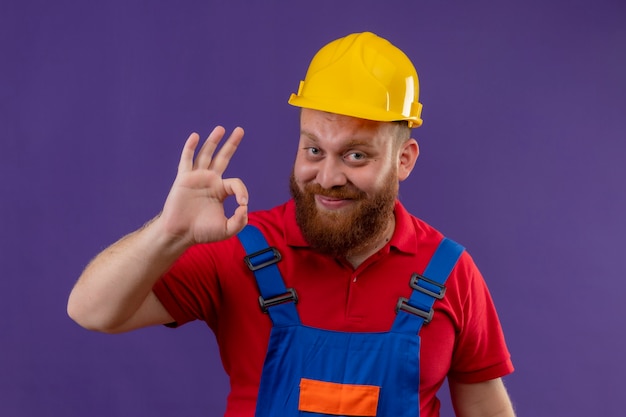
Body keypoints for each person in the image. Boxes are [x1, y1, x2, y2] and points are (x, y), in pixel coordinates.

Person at [68, 32, 515, 417]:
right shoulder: (240, 248)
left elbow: (487, 409)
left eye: (356, 155)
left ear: (404, 160)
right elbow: (91, 311)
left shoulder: (449, 272)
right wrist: (168, 232)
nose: (328, 177)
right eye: (314, 150)